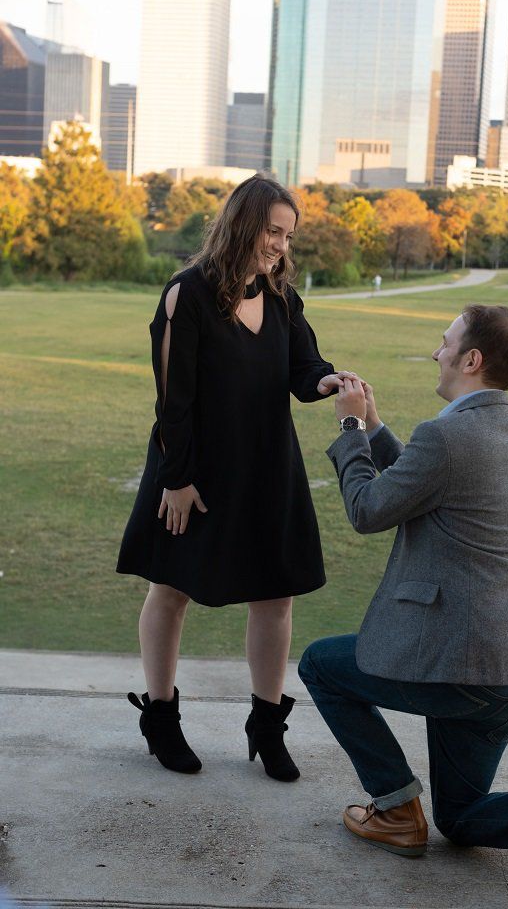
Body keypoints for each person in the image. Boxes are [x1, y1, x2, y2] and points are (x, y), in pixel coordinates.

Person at [299, 304, 508, 902]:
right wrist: (375, 427)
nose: (437, 351)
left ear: (471, 360)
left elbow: (370, 510)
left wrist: (349, 433)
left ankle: (396, 810)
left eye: (444, 341)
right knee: (461, 815)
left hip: (464, 669)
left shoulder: (447, 435)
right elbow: (426, 482)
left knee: (322, 666)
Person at [118, 174, 356, 782]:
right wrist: (177, 479)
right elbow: (173, 399)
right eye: (271, 231)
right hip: (193, 470)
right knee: (171, 590)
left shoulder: (280, 295)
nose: (279, 244)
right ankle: (162, 719)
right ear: (242, 224)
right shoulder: (186, 295)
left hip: (267, 466)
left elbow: (305, 369)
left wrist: (329, 382)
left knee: (274, 596)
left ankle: (266, 726)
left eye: (287, 235)